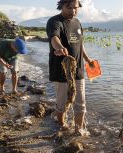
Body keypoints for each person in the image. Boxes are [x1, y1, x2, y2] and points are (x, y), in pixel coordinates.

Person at [46, 0, 93, 134]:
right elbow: (54, 38)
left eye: (75, 8)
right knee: (62, 104)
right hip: (62, 72)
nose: (73, 11)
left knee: (81, 104)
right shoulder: (55, 21)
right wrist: (60, 48)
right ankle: (62, 125)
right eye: (69, 7)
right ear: (62, 6)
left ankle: (79, 130)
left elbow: (80, 44)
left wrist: (88, 59)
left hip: (78, 70)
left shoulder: (77, 22)